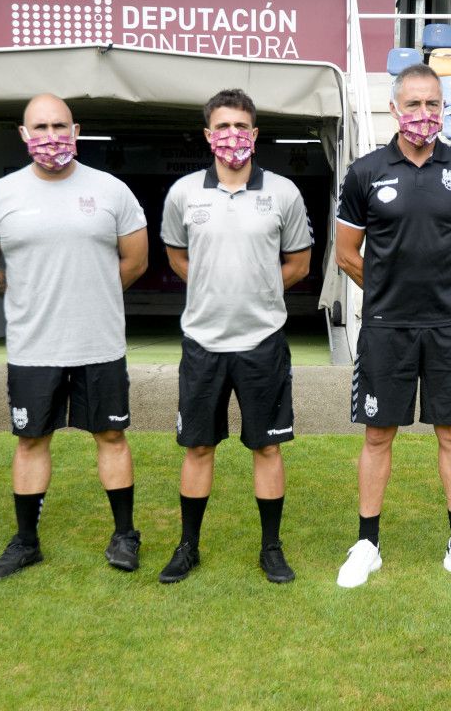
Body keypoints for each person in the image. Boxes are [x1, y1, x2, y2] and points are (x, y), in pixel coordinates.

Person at [0, 94, 149, 580]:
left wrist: (90, 293)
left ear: (77, 129)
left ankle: (125, 535)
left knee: (111, 435)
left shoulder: (111, 190)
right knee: (31, 440)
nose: (52, 135)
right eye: (41, 127)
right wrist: (27, 294)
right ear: (24, 134)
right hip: (34, 346)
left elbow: (134, 261)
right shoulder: (1, 196)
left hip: (99, 341)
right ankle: (26, 543)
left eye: (60, 125)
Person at [334, 64, 451, 589]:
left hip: (448, 324)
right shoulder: (364, 172)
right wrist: (386, 293)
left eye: (434, 104)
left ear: (442, 109)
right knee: (379, 435)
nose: (424, 114)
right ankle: (367, 545)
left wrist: (438, 288)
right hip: (386, 327)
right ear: (394, 109)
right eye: (415, 104)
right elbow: (345, 253)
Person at [156, 89, 312, 585]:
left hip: (262, 341)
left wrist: (257, 287)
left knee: (267, 448)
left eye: (241, 126)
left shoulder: (283, 193)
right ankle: (187, 548)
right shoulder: (184, 193)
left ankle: (271, 549)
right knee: (197, 448)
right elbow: (178, 256)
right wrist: (212, 286)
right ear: (208, 135)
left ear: (255, 134)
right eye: (222, 127)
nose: (232, 136)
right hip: (202, 341)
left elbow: (300, 263)